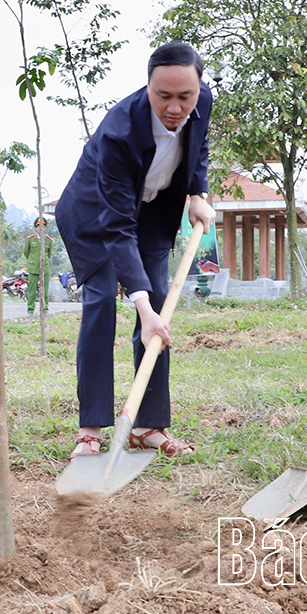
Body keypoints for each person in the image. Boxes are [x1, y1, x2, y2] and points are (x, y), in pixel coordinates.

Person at [55, 41, 215, 461]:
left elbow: (198, 146)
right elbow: (116, 225)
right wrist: (139, 305)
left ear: (198, 88)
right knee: (103, 301)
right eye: (163, 96)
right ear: (148, 87)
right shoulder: (118, 131)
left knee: (159, 306)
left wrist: (196, 192)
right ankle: (90, 430)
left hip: (151, 212)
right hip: (95, 215)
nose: (175, 107)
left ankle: (148, 426)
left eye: (186, 96)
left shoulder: (203, 102)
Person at [23, 217, 52, 314]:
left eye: (43, 226)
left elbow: (49, 253)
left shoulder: (48, 240)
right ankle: (30, 310)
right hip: (33, 268)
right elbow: (26, 252)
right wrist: (33, 261)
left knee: (45, 291)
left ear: (45, 228)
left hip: (45, 268)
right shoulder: (30, 239)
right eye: (39, 226)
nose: (41, 229)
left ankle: (45, 309)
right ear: (36, 228)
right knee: (32, 290)